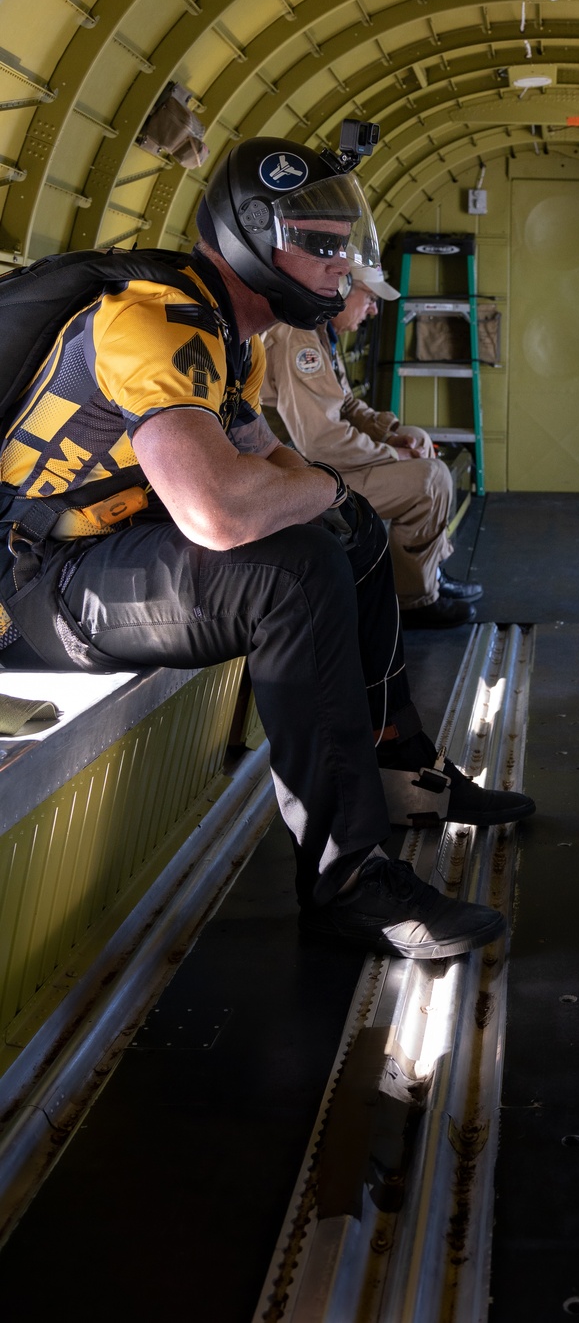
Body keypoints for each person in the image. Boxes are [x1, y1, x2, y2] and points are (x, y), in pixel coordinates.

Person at [0, 136, 533, 958]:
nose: (340, 267)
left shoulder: (229, 338)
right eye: (319, 246)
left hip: (99, 557)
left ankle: (402, 766)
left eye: (343, 246)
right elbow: (216, 512)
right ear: (249, 235)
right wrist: (324, 493)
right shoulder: (155, 322)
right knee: (292, 570)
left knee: (345, 531)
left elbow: (266, 455)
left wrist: (338, 498)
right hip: (32, 592)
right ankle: (347, 880)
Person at [260, 262, 481, 627]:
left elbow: (344, 404)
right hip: (303, 481)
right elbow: (321, 441)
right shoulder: (298, 339)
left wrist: (390, 433)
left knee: (421, 441)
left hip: (320, 464)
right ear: (344, 291)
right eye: (370, 299)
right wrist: (394, 454)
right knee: (432, 479)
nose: (374, 310)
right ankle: (415, 600)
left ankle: (430, 574)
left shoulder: (317, 331)